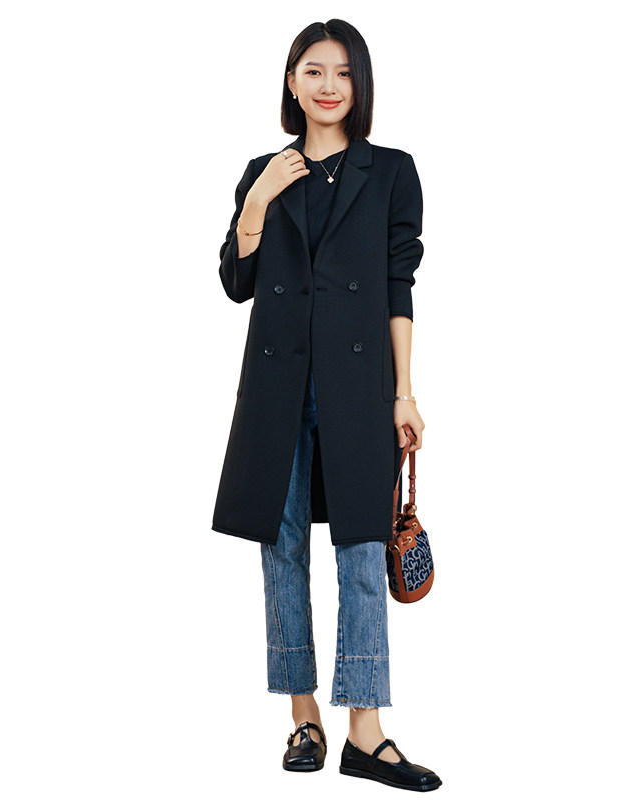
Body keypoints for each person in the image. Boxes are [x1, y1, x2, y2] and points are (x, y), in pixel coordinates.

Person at [212, 19, 441, 791]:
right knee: (281, 549)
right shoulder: (263, 172)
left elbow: (399, 285)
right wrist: (259, 199)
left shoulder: (391, 171)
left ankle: (365, 733)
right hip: (276, 387)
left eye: (343, 71)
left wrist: (404, 392)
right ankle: (304, 718)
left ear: (359, 83)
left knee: (363, 551)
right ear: (291, 82)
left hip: (358, 387)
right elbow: (236, 281)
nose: (329, 85)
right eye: (313, 70)